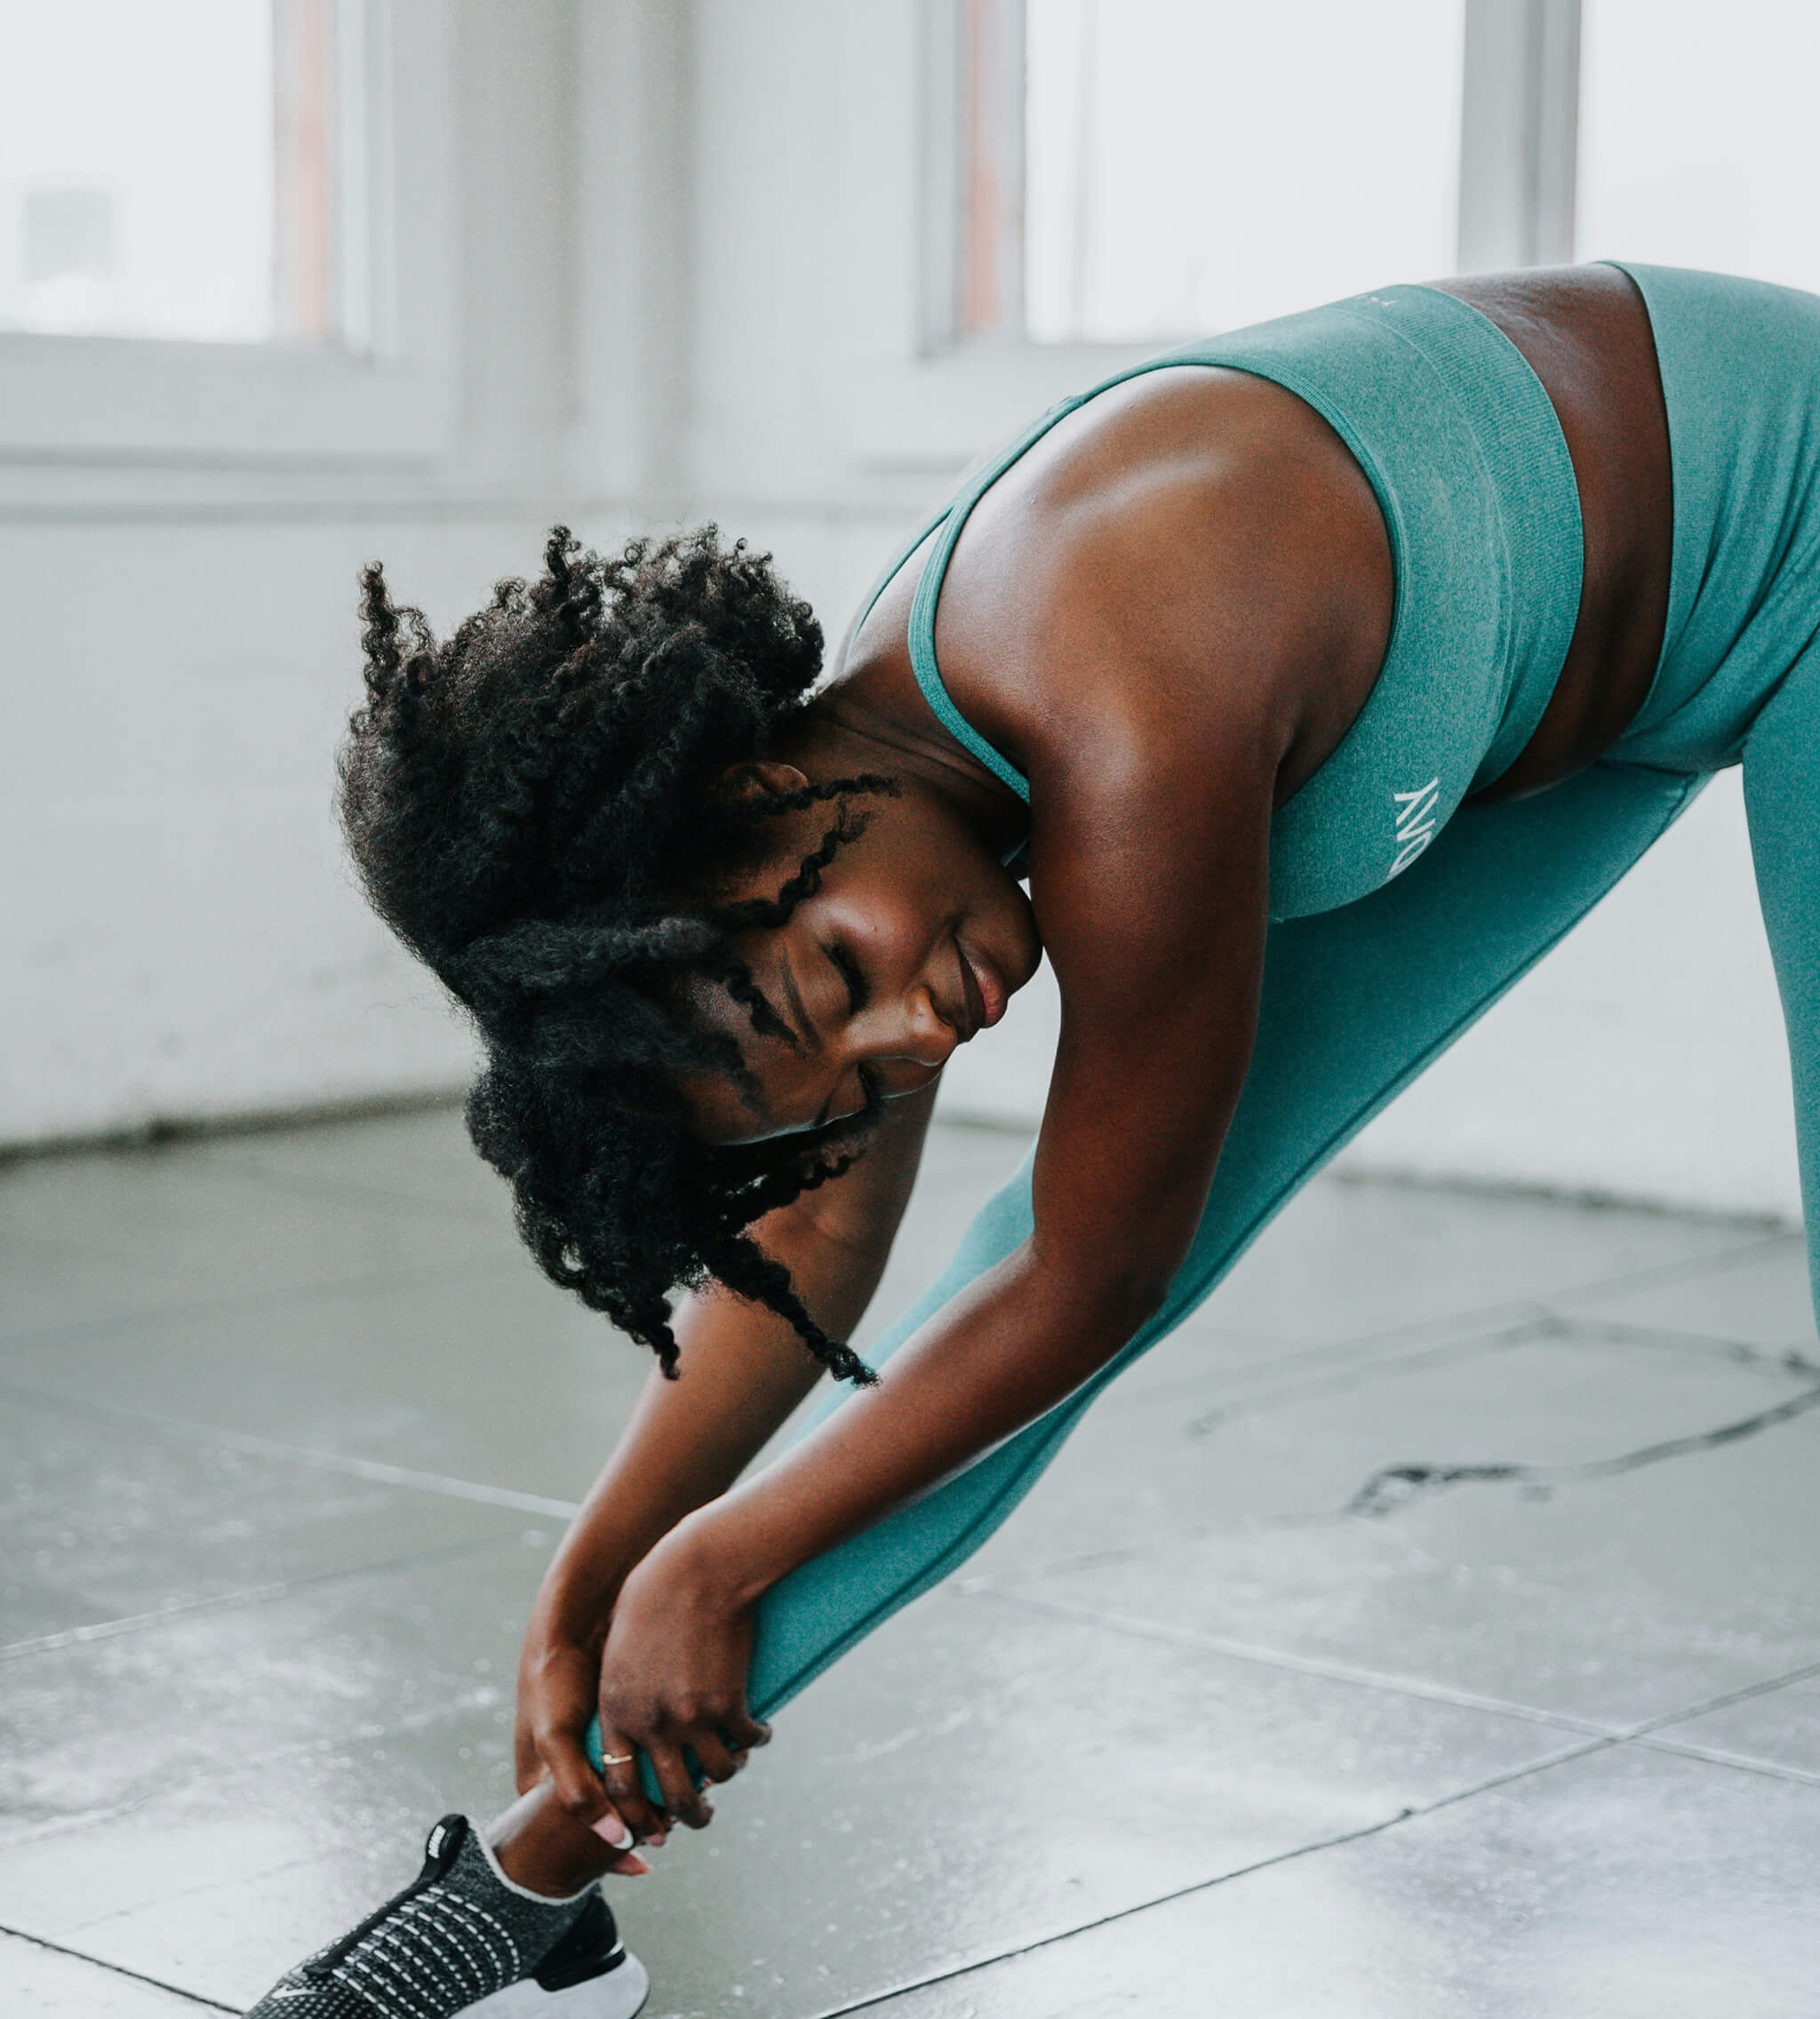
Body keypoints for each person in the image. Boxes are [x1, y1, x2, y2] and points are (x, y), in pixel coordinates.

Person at [247, 261, 1820, 2017]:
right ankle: (529, 1903)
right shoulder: (876, 792)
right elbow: (826, 1255)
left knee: (1059, 1283)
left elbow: (1097, 1273)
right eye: (843, 1065)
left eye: (835, 978)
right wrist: (606, 1553)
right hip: (1566, 704)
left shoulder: (1115, 678)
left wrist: (726, 1553)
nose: (915, 1033)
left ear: (746, 781)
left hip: (1792, 542)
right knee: (969, 1358)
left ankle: (530, 1888)